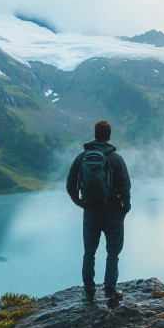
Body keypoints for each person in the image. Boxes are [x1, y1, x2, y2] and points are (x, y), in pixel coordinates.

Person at [66, 121, 131, 302]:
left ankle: (89, 292)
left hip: (91, 211)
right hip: (113, 212)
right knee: (112, 252)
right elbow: (126, 186)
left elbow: (70, 184)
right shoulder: (116, 158)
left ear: (95, 134)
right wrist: (125, 208)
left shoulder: (82, 157)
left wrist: (80, 202)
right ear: (109, 136)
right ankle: (110, 291)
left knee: (89, 253)